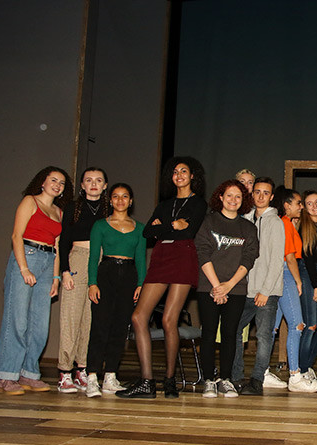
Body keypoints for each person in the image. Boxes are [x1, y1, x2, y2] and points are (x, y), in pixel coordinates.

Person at [117, 157, 207, 399]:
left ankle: (169, 380)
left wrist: (163, 227)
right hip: (161, 257)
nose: (178, 175)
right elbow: (148, 232)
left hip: (183, 257)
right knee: (138, 316)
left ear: (192, 176)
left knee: (169, 320)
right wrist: (172, 225)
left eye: (184, 171)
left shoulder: (198, 203)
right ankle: (147, 381)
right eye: (175, 172)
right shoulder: (165, 204)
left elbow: (188, 230)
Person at [0, 166, 72, 395]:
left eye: (62, 183)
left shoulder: (58, 211)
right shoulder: (30, 201)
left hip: (48, 262)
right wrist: (24, 268)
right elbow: (16, 236)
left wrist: (56, 278)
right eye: (53, 180)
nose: (57, 185)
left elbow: (57, 246)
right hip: (26, 256)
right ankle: (7, 376)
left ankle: (28, 372)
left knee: (40, 324)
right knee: (16, 320)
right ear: (42, 182)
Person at [195, 180, 258, 399]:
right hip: (208, 287)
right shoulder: (208, 222)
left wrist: (229, 286)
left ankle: (226, 379)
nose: (233, 200)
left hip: (236, 288)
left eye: (238, 196)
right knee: (209, 333)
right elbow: (202, 253)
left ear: (243, 201)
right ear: (220, 197)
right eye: (229, 195)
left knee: (231, 334)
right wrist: (216, 287)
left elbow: (249, 259)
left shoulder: (248, 228)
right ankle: (209, 381)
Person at [85, 183, 146, 398]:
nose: (120, 200)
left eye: (125, 196)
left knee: (120, 328)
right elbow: (94, 257)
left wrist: (141, 284)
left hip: (129, 277)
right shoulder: (100, 226)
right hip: (106, 274)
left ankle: (110, 376)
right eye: (116, 196)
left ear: (131, 201)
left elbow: (141, 259)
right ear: (110, 200)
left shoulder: (139, 228)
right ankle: (92, 376)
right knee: (100, 326)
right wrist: (92, 283)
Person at [231, 177, 285, 395]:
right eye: (257, 192)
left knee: (263, 336)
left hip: (266, 292)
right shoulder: (245, 220)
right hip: (244, 290)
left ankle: (256, 380)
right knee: (233, 330)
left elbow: (276, 260)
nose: (261, 196)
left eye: (266, 192)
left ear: (271, 197)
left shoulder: (276, 222)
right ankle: (235, 377)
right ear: (252, 194)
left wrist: (265, 290)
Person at [56, 167, 108, 393]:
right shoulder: (73, 208)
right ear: (82, 185)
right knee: (71, 316)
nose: (94, 184)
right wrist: (65, 271)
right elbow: (64, 240)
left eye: (98, 180)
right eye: (89, 180)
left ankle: (82, 369)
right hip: (78, 259)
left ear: (105, 185)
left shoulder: (109, 209)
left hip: (101, 262)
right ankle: (64, 372)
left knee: (91, 318)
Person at [271, 187, 317, 392]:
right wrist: (299, 282)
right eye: (298, 203)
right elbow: (290, 257)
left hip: (281, 272)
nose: (301, 207)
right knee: (297, 325)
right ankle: (295, 376)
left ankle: (263, 372)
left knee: (273, 326)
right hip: (286, 273)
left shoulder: (287, 224)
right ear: (286, 205)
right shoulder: (283, 224)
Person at [298, 190, 317, 379]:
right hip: (308, 275)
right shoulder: (304, 226)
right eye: (309, 203)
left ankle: (305, 367)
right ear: (304, 207)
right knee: (310, 325)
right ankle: (301, 371)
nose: (315, 206)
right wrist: (316, 286)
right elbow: (308, 259)